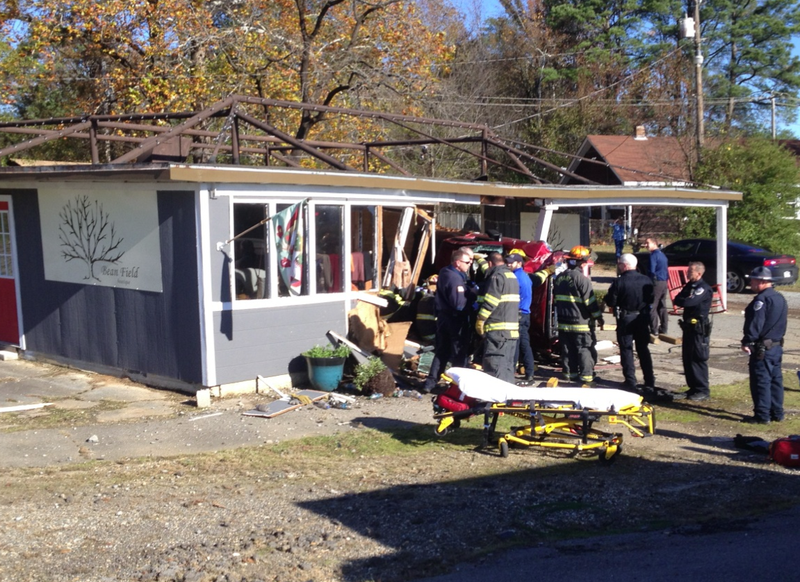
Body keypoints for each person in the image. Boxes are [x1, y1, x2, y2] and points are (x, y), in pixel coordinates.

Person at [422, 249, 477, 393]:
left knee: (442, 351)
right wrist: (473, 297)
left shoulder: (448, 272)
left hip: (444, 318)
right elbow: (459, 304)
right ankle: (458, 387)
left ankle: (430, 383)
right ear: (457, 262)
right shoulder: (454, 278)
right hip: (455, 320)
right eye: (467, 261)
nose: (470, 264)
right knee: (459, 353)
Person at [740, 267, 788, 424]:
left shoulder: (761, 300)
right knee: (775, 381)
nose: (750, 282)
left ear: (761, 281)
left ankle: (762, 415)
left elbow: (756, 323)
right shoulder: (779, 298)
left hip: (763, 348)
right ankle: (777, 413)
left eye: (753, 279)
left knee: (761, 381)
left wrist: (748, 340)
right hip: (776, 346)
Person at [604, 253, 656, 393]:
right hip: (643, 318)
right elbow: (651, 299)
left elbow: (611, 301)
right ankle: (649, 380)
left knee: (626, 350)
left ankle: (630, 381)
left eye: (620, 264)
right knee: (643, 350)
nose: (619, 266)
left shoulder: (619, 282)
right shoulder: (647, 280)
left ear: (625, 265)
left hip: (626, 319)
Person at [553, 245, 604, 385]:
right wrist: (598, 317)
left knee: (567, 349)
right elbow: (590, 303)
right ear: (581, 262)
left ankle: (569, 375)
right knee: (584, 349)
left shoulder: (559, 278)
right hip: (581, 323)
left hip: (563, 322)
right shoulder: (582, 280)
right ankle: (587, 377)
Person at [475, 252, 520, 383]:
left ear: (490, 263)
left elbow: (491, 301)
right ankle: (507, 398)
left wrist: (480, 320)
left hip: (498, 332)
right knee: (506, 367)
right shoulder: (511, 275)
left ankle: (494, 398)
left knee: (494, 365)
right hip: (511, 333)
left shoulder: (496, 276)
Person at [673, 261, 713, 401]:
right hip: (688, 327)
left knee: (698, 358)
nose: (688, 273)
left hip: (699, 328)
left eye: (690, 271)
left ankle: (702, 389)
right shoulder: (690, 286)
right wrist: (685, 299)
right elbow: (677, 299)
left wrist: (685, 300)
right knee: (687, 358)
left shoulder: (703, 288)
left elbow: (689, 302)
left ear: (699, 273)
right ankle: (693, 387)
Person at [506, 250, 535, 384]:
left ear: (519, 263)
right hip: (524, 314)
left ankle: (515, 372)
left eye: (511, 263)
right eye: (507, 263)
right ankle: (527, 372)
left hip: (518, 314)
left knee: (518, 344)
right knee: (522, 344)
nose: (508, 265)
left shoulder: (515, 277)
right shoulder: (525, 276)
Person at [646, 237, 669, 339]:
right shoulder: (662, 255)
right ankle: (664, 328)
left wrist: (650, 281)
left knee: (652, 306)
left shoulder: (653, 255)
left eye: (648, 243)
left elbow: (652, 270)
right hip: (664, 282)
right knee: (662, 305)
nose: (646, 245)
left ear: (654, 244)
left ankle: (654, 329)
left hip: (657, 282)